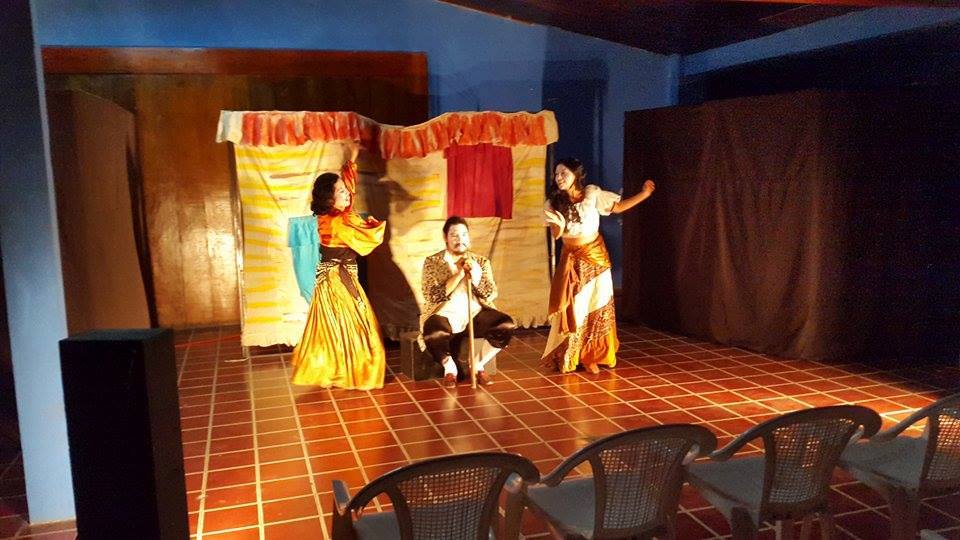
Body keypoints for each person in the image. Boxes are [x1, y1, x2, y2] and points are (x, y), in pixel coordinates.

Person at [541, 158, 655, 374]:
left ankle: (593, 355)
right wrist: (559, 225)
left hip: (596, 257)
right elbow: (556, 235)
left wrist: (644, 194)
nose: (559, 178)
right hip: (572, 261)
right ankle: (571, 355)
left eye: (564, 173)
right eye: (556, 174)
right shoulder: (553, 202)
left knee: (599, 305)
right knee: (576, 308)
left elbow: (618, 207)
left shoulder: (592, 194)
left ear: (576, 175)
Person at [290, 143, 386, 389]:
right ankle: (356, 373)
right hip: (337, 282)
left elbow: (350, 190)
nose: (347, 194)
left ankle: (335, 371)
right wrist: (373, 224)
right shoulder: (340, 222)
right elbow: (369, 239)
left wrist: (352, 158)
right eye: (341, 191)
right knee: (354, 325)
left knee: (333, 328)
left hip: (330, 278)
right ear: (330, 198)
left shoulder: (330, 215)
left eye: (344, 189)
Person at [420, 216, 515, 387]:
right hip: (444, 313)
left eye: (464, 235)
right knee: (433, 333)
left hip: (475, 312)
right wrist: (459, 275)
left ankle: (477, 364)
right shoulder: (433, 262)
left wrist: (476, 276)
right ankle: (450, 369)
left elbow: (490, 293)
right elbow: (431, 295)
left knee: (505, 325)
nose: (460, 239)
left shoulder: (480, 261)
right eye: (454, 235)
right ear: (445, 238)